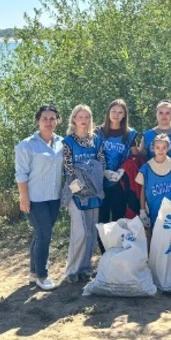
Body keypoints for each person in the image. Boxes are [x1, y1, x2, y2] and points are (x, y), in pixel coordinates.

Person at [15, 104, 64, 291]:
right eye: (44, 118)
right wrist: (24, 197)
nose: (48, 122)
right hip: (35, 199)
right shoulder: (26, 145)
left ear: (58, 120)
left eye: (52, 118)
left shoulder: (61, 143)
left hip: (54, 197)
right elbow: (21, 173)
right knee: (45, 235)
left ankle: (34, 273)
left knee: (40, 234)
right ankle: (42, 276)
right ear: (38, 121)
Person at [63, 104, 106, 284]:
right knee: (80, 232)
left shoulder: (96, 140)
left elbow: (101, 162)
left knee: (91, 233)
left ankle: (85, 268)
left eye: (86, 117)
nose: (83, 120)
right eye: (80, 117)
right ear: (74, 119)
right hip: (76, 191)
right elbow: (68, 166)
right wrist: (84, 172)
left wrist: (91, 172)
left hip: (94, 190)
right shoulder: (67, 141)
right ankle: (72, 270)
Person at [97, 99, 138, 233]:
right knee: (101, 218)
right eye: (113, 111)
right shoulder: (98, 132)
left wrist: (122, 169)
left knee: (118, 217)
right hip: (99, 181)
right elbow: (91, 154)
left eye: (120, 112)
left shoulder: (129, 134)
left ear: (124, 115)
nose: (116, 115)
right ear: (108, 112)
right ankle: (103, 246)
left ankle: (117, 245)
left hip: (120, 182)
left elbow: (135, 156)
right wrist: (103, 170)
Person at [137, 133, 171, 230]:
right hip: (154, 209)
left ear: (168, 148)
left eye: (164, 147)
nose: (160, 150)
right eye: (157, 147)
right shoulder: (146, 168)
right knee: (156, 233)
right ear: (153, 148)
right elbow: (142, 190)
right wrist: (142, 210)